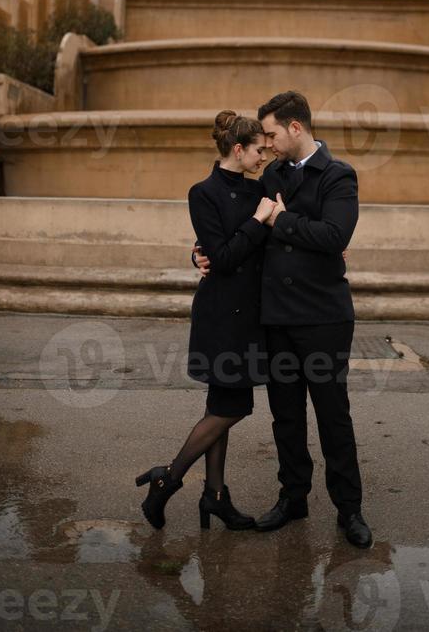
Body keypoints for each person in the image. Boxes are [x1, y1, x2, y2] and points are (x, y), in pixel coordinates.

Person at [195, 91, 373, 549]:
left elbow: (335, 234)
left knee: (334, 417)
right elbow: (234, 225)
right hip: (274, 316)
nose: (268, 144)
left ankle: (349, 509)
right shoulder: (269, 174)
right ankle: (293, 497)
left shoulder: (338, 175)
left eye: (272, 134)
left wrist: (282, 220)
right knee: (286, 417)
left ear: (296, 128)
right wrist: (199, 253)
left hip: (323, 318)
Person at [135, 110, 276, 532]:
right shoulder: (203, 193)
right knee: (234, 406)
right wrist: (255, 222)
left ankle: (214, 496)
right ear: (238, 149)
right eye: (257, 149)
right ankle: (168, 477)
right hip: (221, 315)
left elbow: (225, 249)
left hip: (250, 314)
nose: (263, 155)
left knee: (222, 404)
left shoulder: (260, 189)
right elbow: (226, 256)